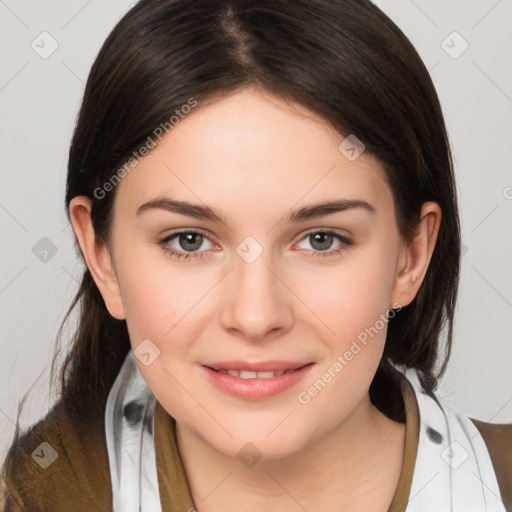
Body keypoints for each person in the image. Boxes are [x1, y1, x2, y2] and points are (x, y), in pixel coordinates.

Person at [1, 0, 511, 511]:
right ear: (102, 257)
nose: (255, 316)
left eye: (321, 239)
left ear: (411, 256)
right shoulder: (41, 495)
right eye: (189, 240)